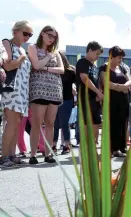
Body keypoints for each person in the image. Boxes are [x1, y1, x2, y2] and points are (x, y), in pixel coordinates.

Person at [28, 25, 64, 164]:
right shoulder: (33, 47)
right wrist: (47, 57)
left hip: (54, 90)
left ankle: (48, 154)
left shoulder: (56, 52)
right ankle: (32, 155)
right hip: (38, 89)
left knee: (50, 123)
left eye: (54, 37)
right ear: (42, 33)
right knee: (36, 123)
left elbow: (62, 70)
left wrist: (46, 67)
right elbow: (36, 66)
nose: (52, 39)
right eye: (50, 35)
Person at [0, 21, 32, 167]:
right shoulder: (7, 43)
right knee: (12, 123)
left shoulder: (22, 49)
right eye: (25, 33)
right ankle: (4, 156)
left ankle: (12, 154)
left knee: (16, 124)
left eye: (30, 34)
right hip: (12, 90)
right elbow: (7, 64)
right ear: (16, 31)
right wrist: (21, 59)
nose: (28, 37)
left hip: (22, 91)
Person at [99, 46, 131, 157]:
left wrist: (120, 86)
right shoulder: (104, 67)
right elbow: (107, 84)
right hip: (111, 100)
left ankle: (118, 148)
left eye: (121, 58)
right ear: (111, 56)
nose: (120, 60)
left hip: (123, 100)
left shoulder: (122, 68)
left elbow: (130, 82)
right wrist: (122, 87)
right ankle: (109, 149)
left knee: (122, 124)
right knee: (111, 124)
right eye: (118, 57)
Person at [76, 41, 103, 146]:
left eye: (99, 55)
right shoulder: (82, 62)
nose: (98, 56)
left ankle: (93, 147)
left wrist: (99, 93)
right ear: (90, 50)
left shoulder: (94, 66)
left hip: (95, 101)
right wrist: (98, 92)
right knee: (87, 125)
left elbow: (97, 82)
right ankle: (86, 151)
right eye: (97, 53)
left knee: (96, 123)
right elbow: (85, 79)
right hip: (85, 101)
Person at [53, 51, 76, 154]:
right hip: (54, 99)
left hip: (66, 99)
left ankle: (66, 145)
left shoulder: (70, 71)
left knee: (64, 123)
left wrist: (75, 92)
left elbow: (78, 84)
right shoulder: (54, 70)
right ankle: (53, 145)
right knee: (55, 123)